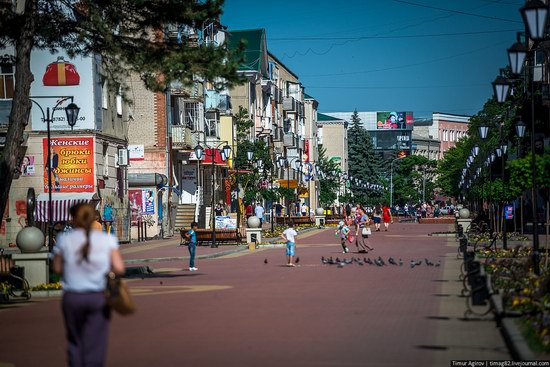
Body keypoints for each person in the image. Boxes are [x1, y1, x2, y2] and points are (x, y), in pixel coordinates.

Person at [53, 203, 125, 367]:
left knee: (75, 339)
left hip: (72, 296)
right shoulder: (107, 240)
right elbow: (119, 267)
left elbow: (57, 268)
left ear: (74, 218)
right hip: (97, 296)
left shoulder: (65, 239)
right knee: (96, 340)